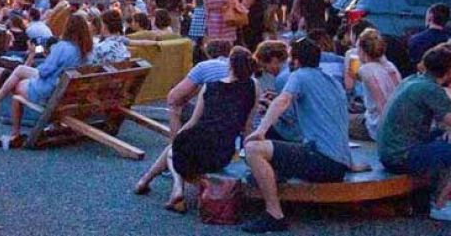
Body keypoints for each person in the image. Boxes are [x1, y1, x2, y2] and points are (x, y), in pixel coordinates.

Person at [242, 36, 353, 233]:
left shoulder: (299, 75)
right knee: (271, 158)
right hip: (338, 162)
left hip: (322, 159)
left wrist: (260, 131)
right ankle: (275, 176)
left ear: (296, 61)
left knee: (252, 149)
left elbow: (283, 101)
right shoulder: (332, 81)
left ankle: (274, 215)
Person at [135, 47, 259, 213]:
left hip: (201, 139)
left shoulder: (210, 87)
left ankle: (170, 187)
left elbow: (193, 122)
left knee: (174, 149)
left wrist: (178, 138)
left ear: (229, 65)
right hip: (223, 151)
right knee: (178, 148)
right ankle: (149, 182)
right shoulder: (254, 87)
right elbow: (247, 127)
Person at [0, 14, 93, 145]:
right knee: (20, 70)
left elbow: (44, 72)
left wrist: (43, 59)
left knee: (18, 87)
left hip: (51, 92)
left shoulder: (62, 47)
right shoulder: (86, 51)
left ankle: (14, 132)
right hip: (67, 92)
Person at [378, 44, 451, 198]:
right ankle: (442, 202)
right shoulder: (431, 89)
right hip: (401, 156)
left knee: (441, 135)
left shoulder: (412, 80)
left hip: (389, 151)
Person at [166, 39, 233, 135]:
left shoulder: (204, 66)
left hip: (212, 118)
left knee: (174, 104)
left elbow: (173, 97)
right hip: (236, 116)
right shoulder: (239, 66)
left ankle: (175, 144)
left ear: (208, 54)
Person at [347, 29, 401, 141]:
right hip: (399, 119)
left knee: (342, 120)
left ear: (362, 50)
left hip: (377, 124)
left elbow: (381, 102)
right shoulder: (390, 66)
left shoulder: (366, 70)